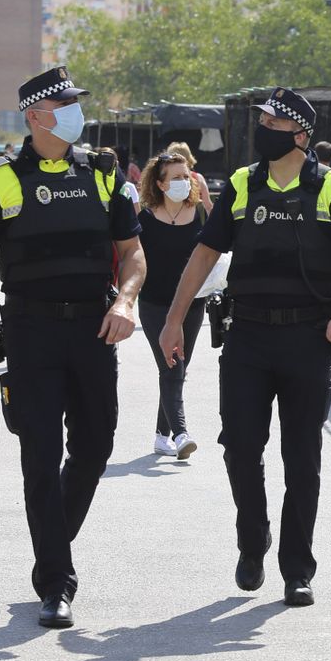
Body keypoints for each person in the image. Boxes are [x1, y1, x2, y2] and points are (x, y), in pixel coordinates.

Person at [0, 66, 144, 630]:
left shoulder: (103, 172)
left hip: (96, 330)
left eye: (77, 102)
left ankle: (52, 543)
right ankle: (56, 580)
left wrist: (125, 301)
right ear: (35, 115)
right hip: (30, 333)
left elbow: (133, 253)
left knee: (96, 446)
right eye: (65, 103)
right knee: (40, 456)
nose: (76, 111)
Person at [159, 86, 331, 607]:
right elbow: (203, 255)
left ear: (301, 134)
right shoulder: (242, 183)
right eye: (262, 122)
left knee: (302, 458)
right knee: (239, 449)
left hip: (308, 339)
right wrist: (173, 319)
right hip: (248, 338)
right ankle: (252, 542)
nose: (264, 131)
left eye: (274, 125)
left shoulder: (328, 189)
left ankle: (297, 568)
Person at [136, 148, 209, 460]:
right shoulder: (145, 219)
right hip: (155, 305)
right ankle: (180, 433)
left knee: (179, 368)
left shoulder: (200, 214)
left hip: (193, 304)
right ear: (161, 184)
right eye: (176, 177)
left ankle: (161, 435)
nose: (184, 181)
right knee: (172, 366)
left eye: (186, 176)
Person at [166, 141, 215, 214]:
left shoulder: (163, 179)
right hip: (193, 220)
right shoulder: (198, 178)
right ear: (188, 157)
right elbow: (208, 206)